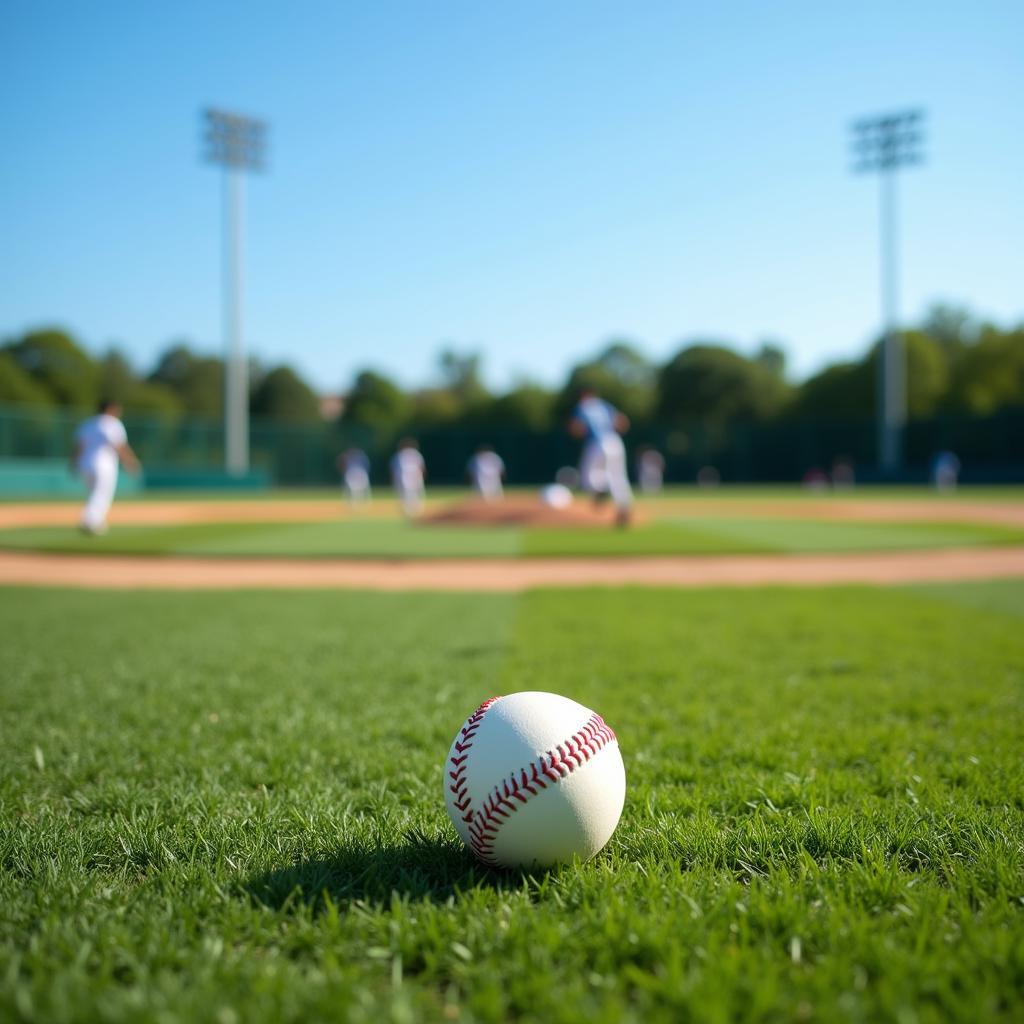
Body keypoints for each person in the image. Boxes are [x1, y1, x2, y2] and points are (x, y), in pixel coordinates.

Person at [70, 399, 141, 535]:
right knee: (101, 494)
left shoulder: (88, 423)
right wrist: (130, 462)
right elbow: (119, 445)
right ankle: (90, 521)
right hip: (104, 465)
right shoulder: (112, 423)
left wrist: (74, 463)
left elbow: (78, 447)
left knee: (93, 494)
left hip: (85, 463)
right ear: (110, 409)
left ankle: (97, 522)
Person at [569, 389, 633, 526]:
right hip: (615, 441)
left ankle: (600, 490)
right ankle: (623, 507)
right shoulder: (604, 405)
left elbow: (576, 428)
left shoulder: (583, 406)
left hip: (596, 443)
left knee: (587, 475)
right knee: (618, 477)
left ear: (583, 396)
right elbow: (623, 421)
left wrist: (578, 432)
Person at [390, 438, 426, 518]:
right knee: (413, 493)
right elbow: (422, 467)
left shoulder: (401, 455)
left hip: (409, 475)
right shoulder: (414, 454)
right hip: (411, 475)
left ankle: (411, 509)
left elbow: (394, 469)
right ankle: (414, 509)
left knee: (409, 493)